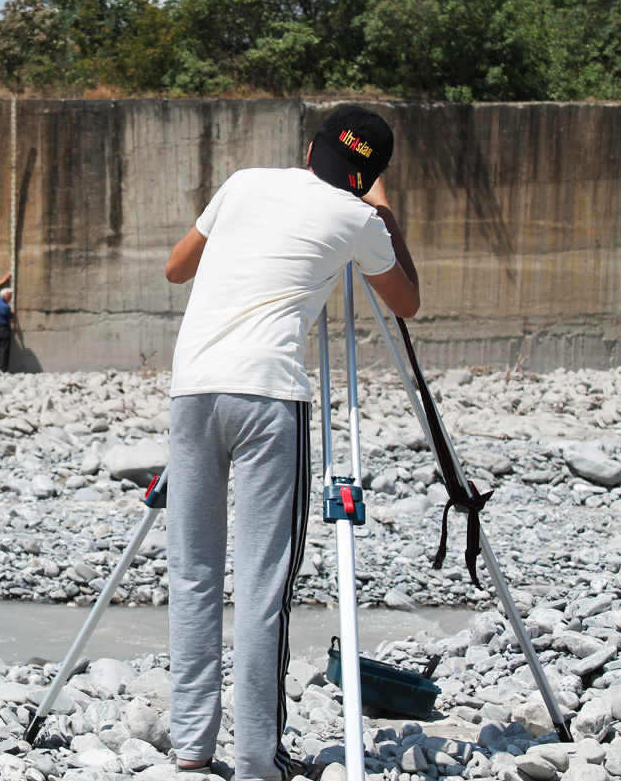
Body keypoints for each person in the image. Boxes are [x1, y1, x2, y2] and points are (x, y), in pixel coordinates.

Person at [162, 106, 420, 781]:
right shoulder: (360, 218)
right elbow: (406, 301)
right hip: (268, 396)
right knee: (261, 583)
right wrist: (382, 210)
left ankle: (190, 748)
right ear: (367, 178)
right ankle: (256, 760)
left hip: (192, 390)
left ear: (310, 149)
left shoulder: (244, 182)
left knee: (193, 571)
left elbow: (176, 268)